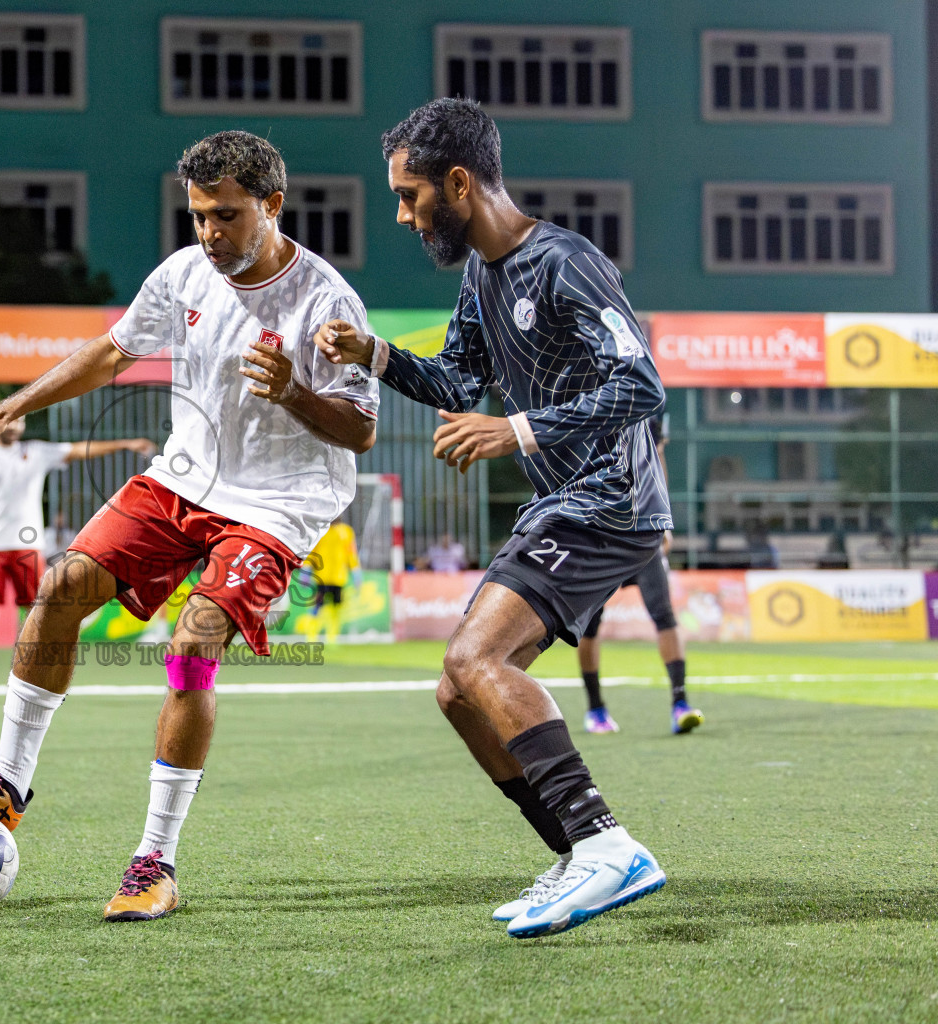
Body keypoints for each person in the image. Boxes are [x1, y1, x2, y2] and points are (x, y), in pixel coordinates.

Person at [0, 130, 379, 922]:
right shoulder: (184, 272)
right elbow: (110, 352)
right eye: (199, 215)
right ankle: (7, 782)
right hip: (183, 479)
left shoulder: (328, 302)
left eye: (227, 216)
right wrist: (9, 406)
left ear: (272, 205)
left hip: (278, 501)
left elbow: (361, 430)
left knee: (192, 644)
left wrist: (296, 393)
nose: (210, 233)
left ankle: (154, 863)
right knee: (60, 583)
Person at [317, 99, 668, 939]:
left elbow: (644, 384)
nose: (403, 216)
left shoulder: (565, 262)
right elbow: (453, 384)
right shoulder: (481, 274)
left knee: (474, 656)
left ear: (461, 183)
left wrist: (518, 429)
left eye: (411, 196)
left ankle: (606, 845)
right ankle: (580, 855)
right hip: (564, 502)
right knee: (457, 689)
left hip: (608, 501)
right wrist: (375, 353)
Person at [0, 417, 156, 703]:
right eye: (7, 421)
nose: (13, 426)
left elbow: (80, 449)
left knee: (40, 612)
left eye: (18, 420)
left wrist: (126, 443)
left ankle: (39, 681)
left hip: (27, 546)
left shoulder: (37, 452)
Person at [579, 417, 703, 736]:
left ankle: (680, 704)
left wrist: (665, 517)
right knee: (589, 625)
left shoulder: (648, 395)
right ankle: (595, 709)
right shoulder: (582, 387)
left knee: (664, 614)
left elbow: (656, 455)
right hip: (597, 530)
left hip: (641, 526)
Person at [297, 519, 360, 643]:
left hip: (339, 578)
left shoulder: (347, 531)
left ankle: (332, 638)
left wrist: (355, 571)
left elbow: (351, 553)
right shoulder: (320, 531)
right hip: (322, 577)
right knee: (317, 606)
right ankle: (311, 636)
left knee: (336, 608)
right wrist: (306, 570)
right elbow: (312, 553)